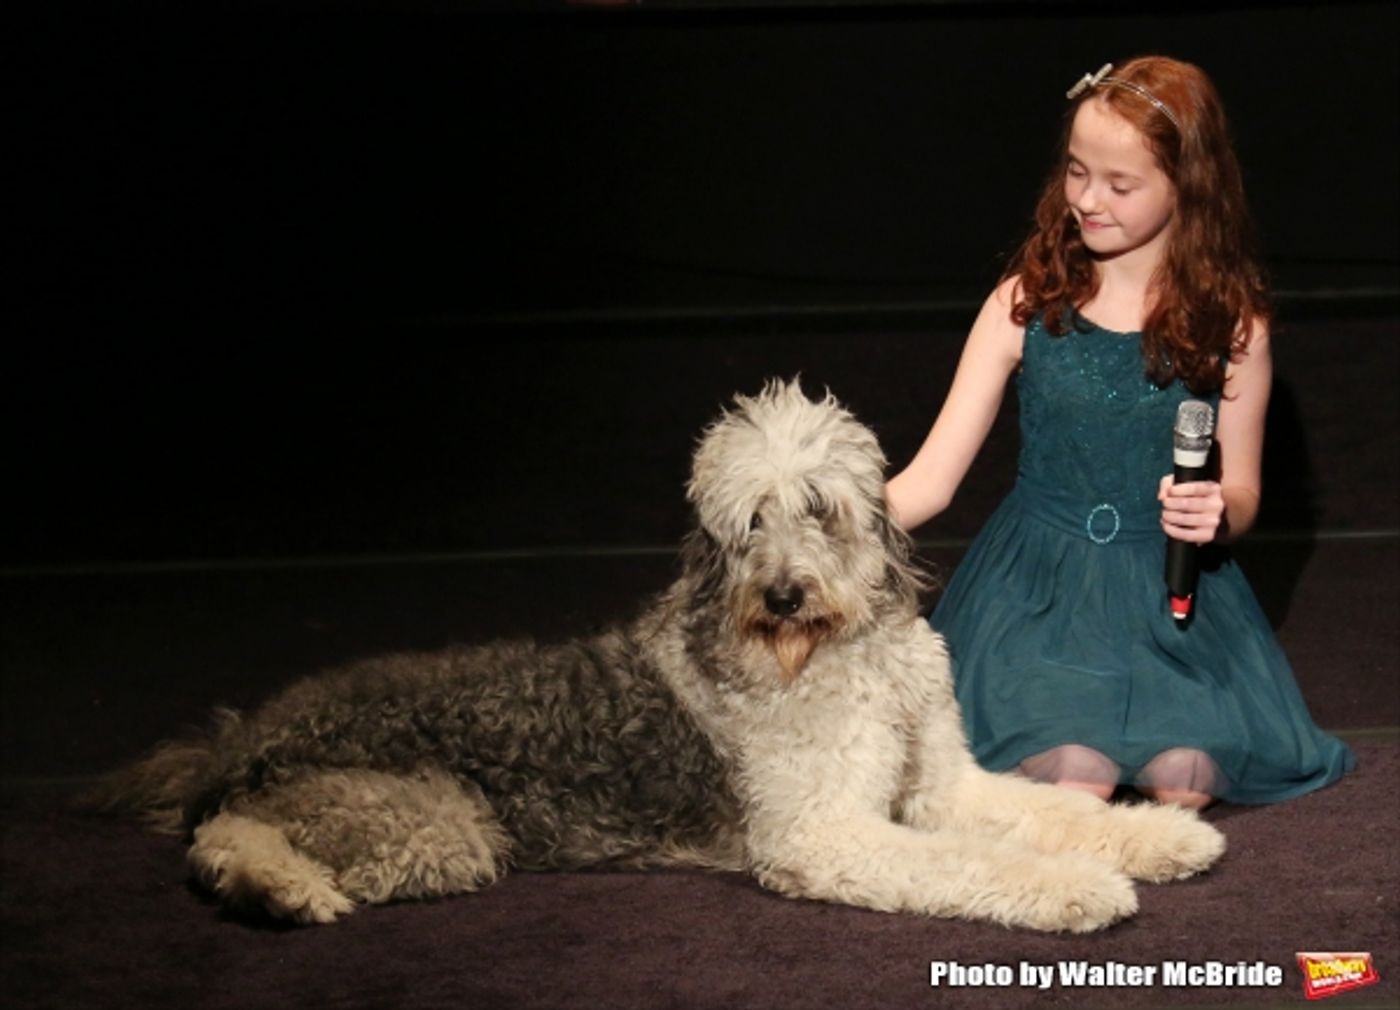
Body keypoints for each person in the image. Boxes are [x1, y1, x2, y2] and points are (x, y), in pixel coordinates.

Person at [885, 56, 1354, 809]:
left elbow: (1243, 492)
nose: (1087, 200)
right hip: (1036, 592)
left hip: (1165, 590)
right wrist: (811, 534)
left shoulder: (1233, 327)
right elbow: (929, 482)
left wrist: (1219, 512)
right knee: (1078, 777)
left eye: (1119, 184)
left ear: (1187, 187)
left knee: (1185, 779)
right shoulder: (1024, 303)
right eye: (1075, 173)